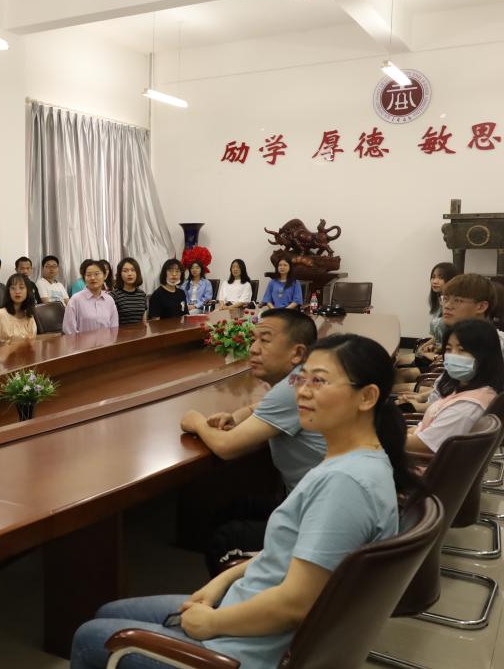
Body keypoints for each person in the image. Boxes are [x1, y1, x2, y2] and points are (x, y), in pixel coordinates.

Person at [73, 334, 416, 669]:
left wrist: (213, 623)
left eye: (320, 381)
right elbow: (287, 555)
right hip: (247, 609)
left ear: (367, 397)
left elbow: (294, 605)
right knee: (109, 613)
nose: (302, 391)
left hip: (242, 650)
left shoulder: (345, 485)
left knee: (91, 637)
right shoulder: (356, 462)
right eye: (302, 379)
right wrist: (221, 582)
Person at [180, 309, 322, 574]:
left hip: (316, 520)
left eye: (265, 340)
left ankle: (241, 597)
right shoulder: (304, 377)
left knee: (226, 538)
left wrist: (196, 421)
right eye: (254, 339)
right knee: (230, 509)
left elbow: (227, 448)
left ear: (297, 353)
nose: (253, 348)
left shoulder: (293, 389)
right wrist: (238, 414)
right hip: (308, 501)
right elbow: (267, 406)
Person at [399, 274, 503, 413]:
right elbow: (451, 386)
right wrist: (422, 397)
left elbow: (470, 403)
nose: (447, 306)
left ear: (481, 306)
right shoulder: (460, 337)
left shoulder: (494, 344)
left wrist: (421, 406)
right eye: (445, 299)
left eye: (457, 300)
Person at [405, 319, 503, 454]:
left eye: (462, 350)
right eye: (448, 349)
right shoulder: (467, 388)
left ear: (485, 355)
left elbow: (425, 445)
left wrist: (382, 437)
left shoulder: (467, 406)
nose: (452, 356)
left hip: (417, 462)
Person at [62, 261, 119, 335]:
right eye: (88, 275)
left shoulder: (109, 300)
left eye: (96, 274)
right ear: (84, 278)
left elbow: (114, 327)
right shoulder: (75, 299)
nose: (92, 278)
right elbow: (69, 329)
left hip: (107, 341)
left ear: (105, 276)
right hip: (82, 342)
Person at [0, 273, 38, 344]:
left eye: (21, 288)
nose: (17, 292)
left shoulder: (28, 313)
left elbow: (33, 339)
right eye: (13, 288)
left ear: (28, 291)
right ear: (8, 292)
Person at [110, 257, 147, 325]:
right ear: (120, 274)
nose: (130, 274)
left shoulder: (142, 294)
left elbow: (144, 321)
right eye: (125, 271)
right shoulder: (113, 295)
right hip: (120, 331)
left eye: (133, 270)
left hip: (140, 331)